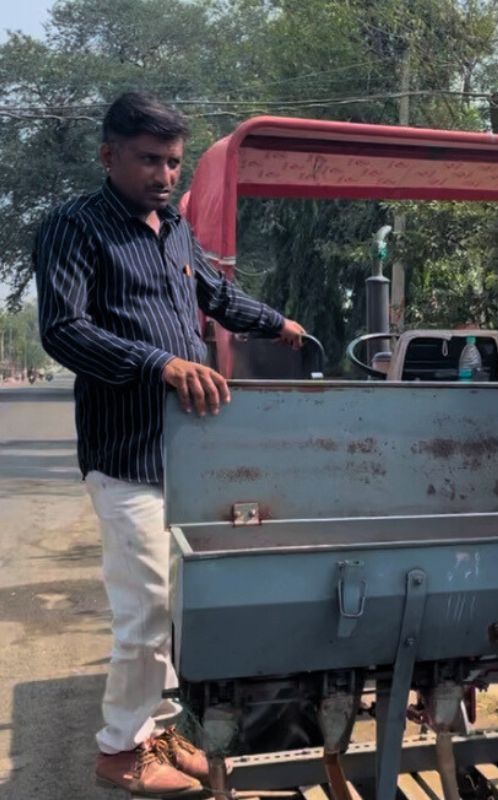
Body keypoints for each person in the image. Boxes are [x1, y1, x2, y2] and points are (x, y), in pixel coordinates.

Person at [34, 92, 305, 797]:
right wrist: (159, 364)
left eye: (174, 163)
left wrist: (277, 323)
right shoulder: (75, 227)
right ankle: (118, 753)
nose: (163, 175)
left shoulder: (174, 230)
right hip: (125, 452)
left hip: (187, 455)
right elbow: (63, 330)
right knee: (144, 608)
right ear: (109, 156)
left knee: (175, 608)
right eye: (149, 160)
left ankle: (154, 729)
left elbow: (214, 292)